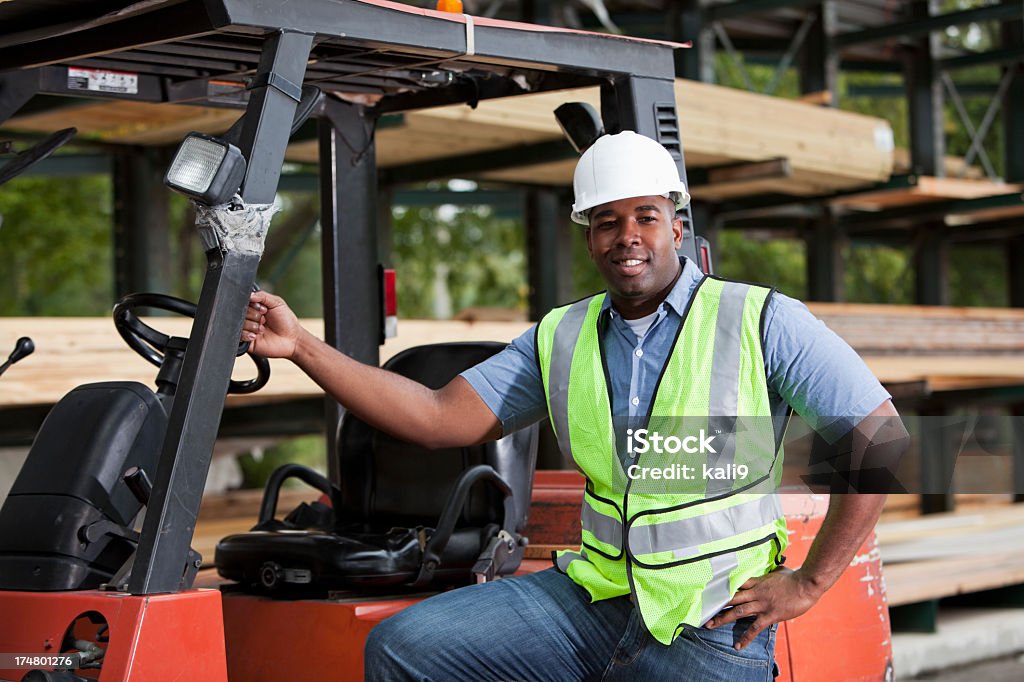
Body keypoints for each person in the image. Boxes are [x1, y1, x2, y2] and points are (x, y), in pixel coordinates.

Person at [241, 131, 908, 681]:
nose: (627, 236)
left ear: (676, 225)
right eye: (607, 222)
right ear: (588, 236)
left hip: (707, 623)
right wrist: (302, 346)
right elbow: (438, 417)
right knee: (404, 648)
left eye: (645, 217)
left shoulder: (760, 320)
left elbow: (880, 438)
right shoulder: (561, 336)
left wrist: (811, 582)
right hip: (589, 600)